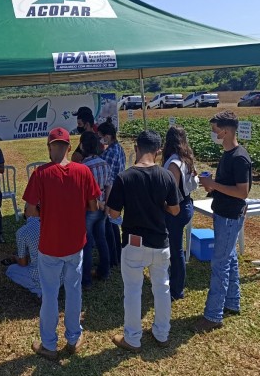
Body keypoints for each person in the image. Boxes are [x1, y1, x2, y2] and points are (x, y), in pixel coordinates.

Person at [23, 127, 100, 360]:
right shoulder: (83, 171)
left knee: (50, 294)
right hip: (75, 243)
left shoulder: (40, 173)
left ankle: (49, 343)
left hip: (50, 245)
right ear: (69, 147)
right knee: (74, 291)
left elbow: (29, 211)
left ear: (49, 148)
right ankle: (74, 338)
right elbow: (94, 206)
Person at [106, 130, 180, 351]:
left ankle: (133, 338)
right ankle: (162, 333)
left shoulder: (124, 177)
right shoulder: (166, 175)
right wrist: (159, 207)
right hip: (160, 242)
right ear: (158, 151)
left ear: (136, 148)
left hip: (134, 243)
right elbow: (175, 210)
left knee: (133, 291)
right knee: (162, 288)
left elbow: (113, 214)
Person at [193, 110, 252, 333]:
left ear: (226, 131)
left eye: (215, 129)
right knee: (230, 258)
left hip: (229, 216)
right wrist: (211, 184)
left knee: (219, 263)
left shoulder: (239, 157)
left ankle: (213, 315)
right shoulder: (229, 154)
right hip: (224, 213)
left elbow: (242, 192)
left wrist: (214, 185)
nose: (213, 133)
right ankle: (232, 301)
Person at [162, 125, 199, 301]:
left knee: (176, 250)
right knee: (176, 248)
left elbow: (172, 193)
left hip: (177, 208)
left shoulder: (173, 164)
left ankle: (176, 289)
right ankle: (175, 284)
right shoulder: (186, 159)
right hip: (187, 203)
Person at [79, 131, 111, 288]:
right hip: (103, 207)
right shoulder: (104, 163)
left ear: (82, 146)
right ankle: (105, 271)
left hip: (89, 208)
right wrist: (106, 204)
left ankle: (86, 280)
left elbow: (85, 194)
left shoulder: (83, 167)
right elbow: (109, 185)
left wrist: (99, 203)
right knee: (102, 239)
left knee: (87, 244)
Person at [98, 118, 125, 267]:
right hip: (118, 189)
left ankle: (113, 258)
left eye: (100, 136)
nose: (100, 140)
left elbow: (104, 172)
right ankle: (117, 256)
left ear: (107, 136)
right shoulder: (119, 148)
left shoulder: (109, 153)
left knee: (110, 227)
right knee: (113, 225)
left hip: (110, 191)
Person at [4, 214, 43, 298]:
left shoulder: (23, 231)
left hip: (42, 276)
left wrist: (15, 258)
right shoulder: (53, 223)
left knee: (10, 270)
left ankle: (39, 290)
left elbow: (23, 263)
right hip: (60, 272)